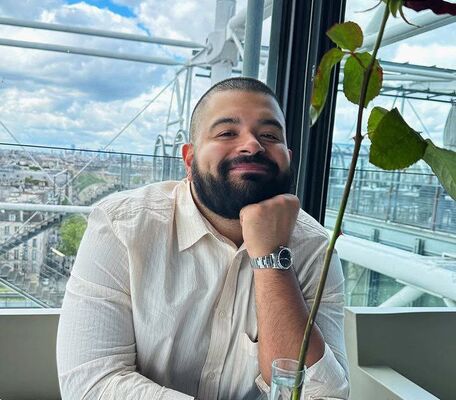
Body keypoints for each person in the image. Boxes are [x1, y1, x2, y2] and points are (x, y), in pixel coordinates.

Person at [56, 77, 349, 399]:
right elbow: (91, 385)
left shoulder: (314, 247)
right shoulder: (122, 226)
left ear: (288, 157)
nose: (252, 145)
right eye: (227, 133)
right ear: (189, 159)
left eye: (269, 135)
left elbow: (324, 395)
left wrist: (271, 257)